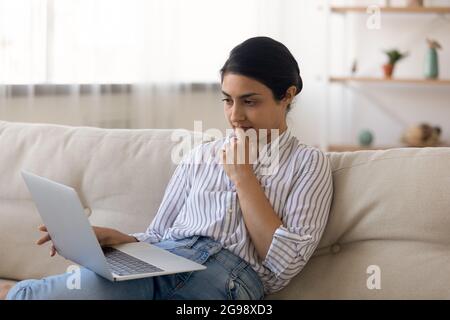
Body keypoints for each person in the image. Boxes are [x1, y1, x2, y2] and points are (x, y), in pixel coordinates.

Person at [2, 36, 333, 300]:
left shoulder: (309, 164)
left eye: (250, 101)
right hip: (165, 258)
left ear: (287, 95)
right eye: (227, 100)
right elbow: (160, 236)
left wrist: (243, 175)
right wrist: (112, 239)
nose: (235, 116)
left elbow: (283, 264)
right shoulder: (200, 156)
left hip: (229, 278)